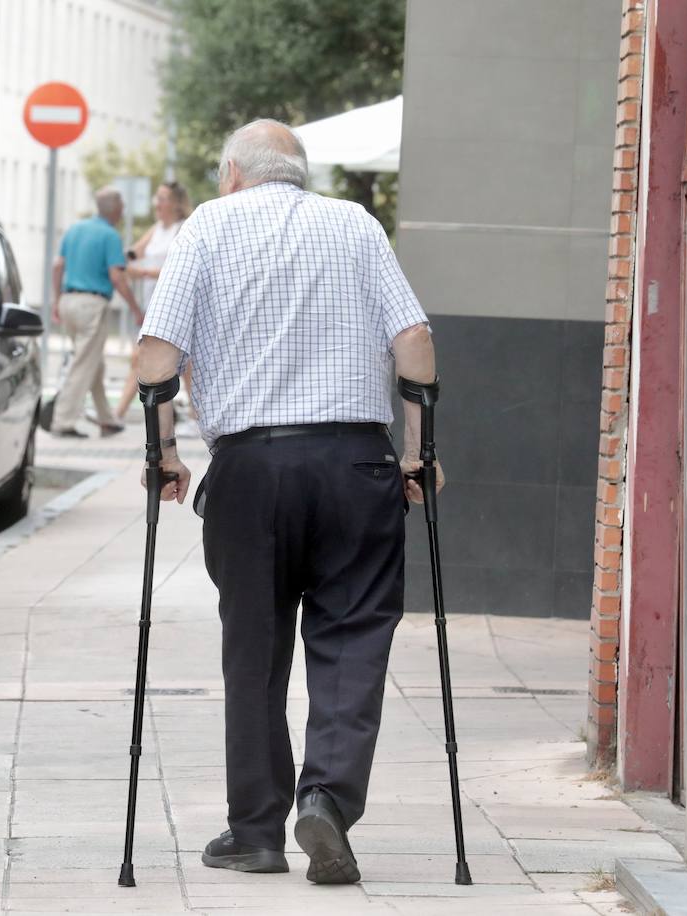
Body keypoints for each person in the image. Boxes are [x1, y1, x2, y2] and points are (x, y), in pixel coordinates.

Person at [134, 119, 444, 886]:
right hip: (354, 463)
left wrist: (163, 454)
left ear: (233, 173)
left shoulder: (207, 226)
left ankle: (256, 833)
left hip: (250, 470)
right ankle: (328, 803)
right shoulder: (356, 224)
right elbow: (413, 339)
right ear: (297, 173)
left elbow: (155, 357)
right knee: (353, 637)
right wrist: (419, 449)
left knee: (255, 649)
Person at [48, 187, 144, 438]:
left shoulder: (75, 229)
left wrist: (56, 301)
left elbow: (58, 266)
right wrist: (135, 308)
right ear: (115, 210)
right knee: (83, 364)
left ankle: (106, 419)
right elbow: (117, 277)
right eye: (122, 207)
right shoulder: (110, 236)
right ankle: (62, 421)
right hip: (92, 305)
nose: (123, 212)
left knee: (93, 363)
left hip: (69, 301)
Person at [115, 181, 195, 426]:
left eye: (162, 198)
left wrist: (146, 273)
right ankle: (195, 414)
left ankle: (115, 416)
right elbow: (135, 252)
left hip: (174, 305)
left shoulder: (183, 229)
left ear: (175, 203)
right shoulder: (157, 229)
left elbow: (181, 268)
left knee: (145, 358)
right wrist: (121, 260)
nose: (156, 203)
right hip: (153, 304)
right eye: (156, 198)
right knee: (182, 365)